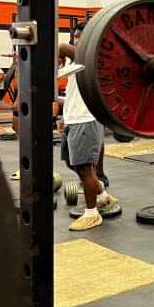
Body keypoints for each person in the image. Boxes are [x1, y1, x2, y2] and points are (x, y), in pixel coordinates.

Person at [57, 22, 118, 230]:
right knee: (72, 163)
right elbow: (75, 90)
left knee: (85, 167)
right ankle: (102, 196)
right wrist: (65, 116)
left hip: (85, 118)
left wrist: (58, 55)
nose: (76, 40)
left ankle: (92, 213)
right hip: (73, 117)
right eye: (75, 37)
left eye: (81, 36)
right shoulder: (79, 60)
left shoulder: (91, 56)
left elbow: (61, 47)